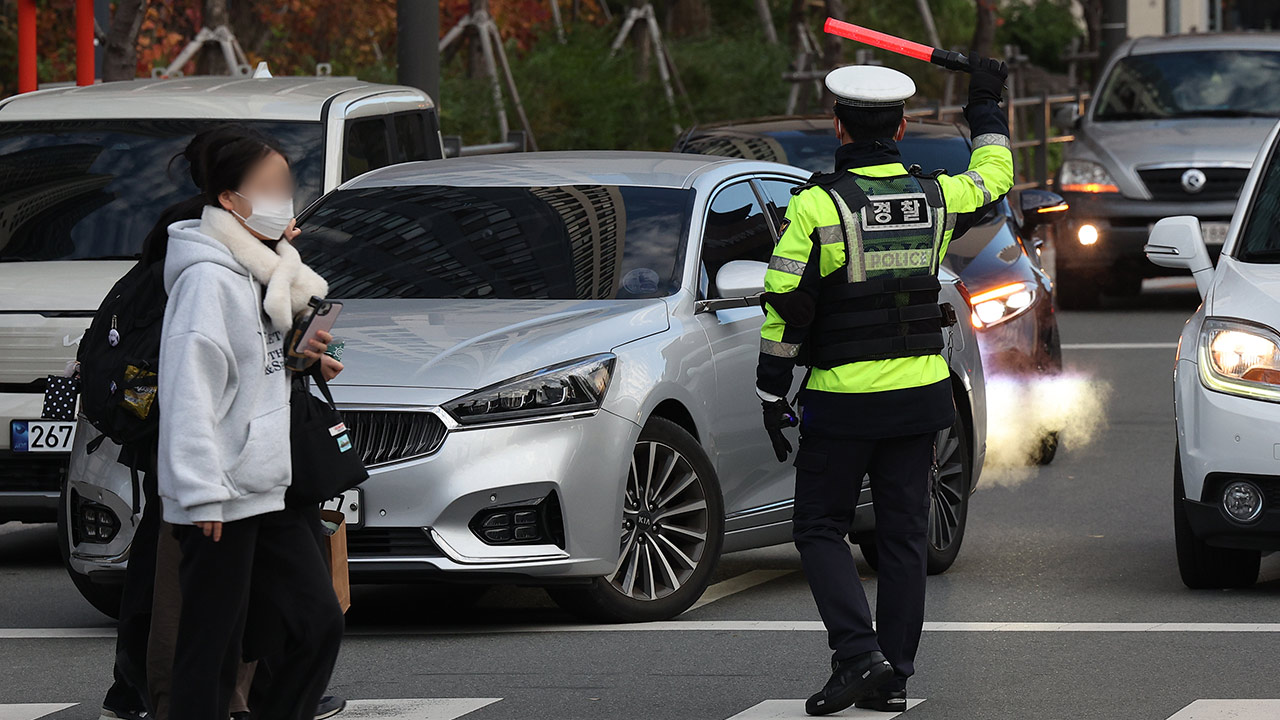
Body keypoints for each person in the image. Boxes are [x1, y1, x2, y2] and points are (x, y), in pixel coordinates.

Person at [754, 60, 1013, 716]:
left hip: (843, 400)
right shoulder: (935, 196)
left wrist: (770, 385)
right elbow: (996, 176)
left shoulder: (818, 204)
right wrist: (986, 105)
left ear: (838, 128)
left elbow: (786, 299)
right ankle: (892, 677)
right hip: (921, 395)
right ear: (901, 126)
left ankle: (856, 654)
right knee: (903, 536)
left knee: (818, 524)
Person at [158, 124, 344, 720]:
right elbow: (190, 390)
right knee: (210, 655)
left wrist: (300, 362)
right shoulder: (207, 279)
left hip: (272, 485)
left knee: (315, 626)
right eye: (268, 185)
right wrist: (199, 492)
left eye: (286, 183)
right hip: (221, 496)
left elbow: (254, 372)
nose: (282, 197)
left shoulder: (270, 273)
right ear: (229, 201)